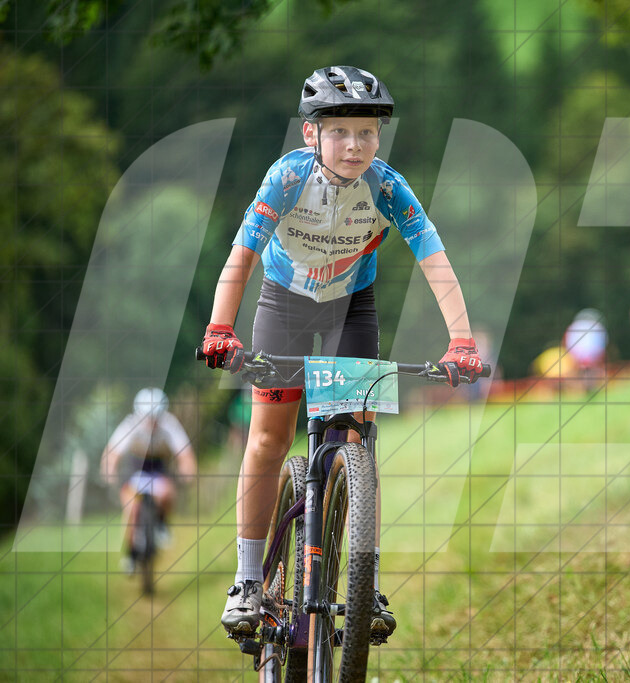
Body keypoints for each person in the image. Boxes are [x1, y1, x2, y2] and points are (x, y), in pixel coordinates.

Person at [200, 66, 483, 642]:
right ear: (311, 134)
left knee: (356, 442)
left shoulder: (386, 185)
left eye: (368, 132)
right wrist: (219, 328)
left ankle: (363, 583)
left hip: (352, 307)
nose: (355, 145)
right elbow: (243, 256)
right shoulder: (285, 178)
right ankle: (249, 581)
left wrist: (462, 341)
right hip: (283, 304)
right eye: (341, 132)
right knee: (268, 438)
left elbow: (434, 258)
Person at [100, 387, 197, 570]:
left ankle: (161, 523)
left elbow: (185, 453)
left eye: (156, 418)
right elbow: (112, 452)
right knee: (132, 509)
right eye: (148, 418)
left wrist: (188, 470)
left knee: (168, 493)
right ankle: (131, 553)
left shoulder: (169, 423)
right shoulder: (130, 425)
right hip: (134, 470)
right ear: (139, 414)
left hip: (158, 470)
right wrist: (109, 470)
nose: (152, 423)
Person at [563, 308, 608, 390]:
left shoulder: (574, 327)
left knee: (584, 370)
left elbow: (568, 342)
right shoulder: (597, 327)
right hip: (590, 353)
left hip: (579, 354)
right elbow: (600, 344)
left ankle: (584, 387)